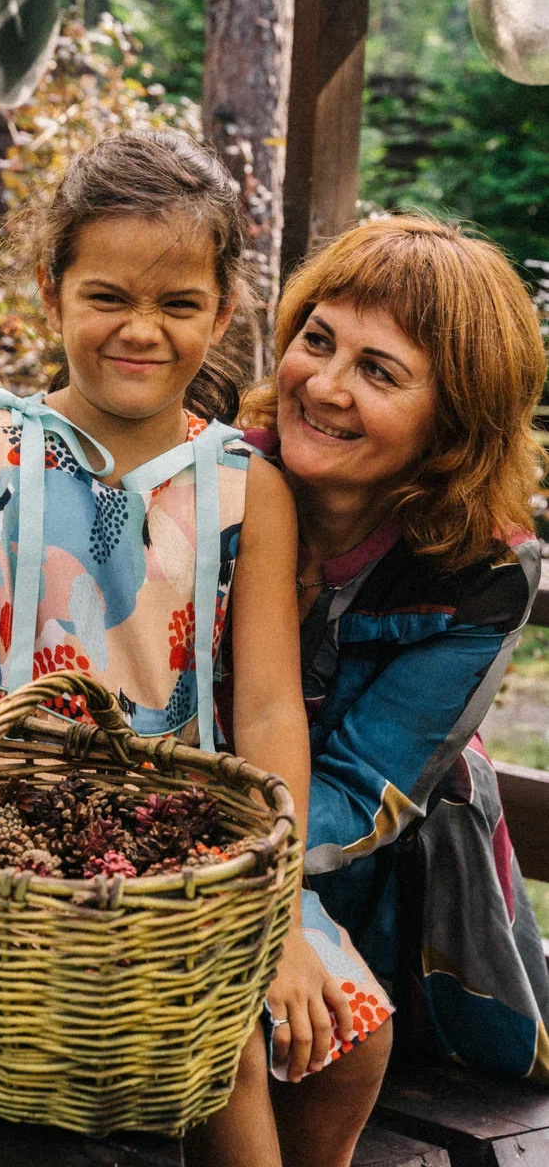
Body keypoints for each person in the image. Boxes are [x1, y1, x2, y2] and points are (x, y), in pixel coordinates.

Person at [0, 129, 393, 1167]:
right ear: (50, 288)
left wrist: (278, 899)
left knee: (350, 1036)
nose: (140, 330)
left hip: (179, 846)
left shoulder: (248, 490)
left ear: (224, 311)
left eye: (178, 304)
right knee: (228, 1052)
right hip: (3, 838)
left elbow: (269, 713)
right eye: (107, 294)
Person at [232, 216, 549, 1135]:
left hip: (365, 871)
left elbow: (362, 786)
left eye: (378, 371)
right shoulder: (216, 479)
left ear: (452, 419)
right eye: (317, 340)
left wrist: (227, 866)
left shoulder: (483, 571)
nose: (323, 386)